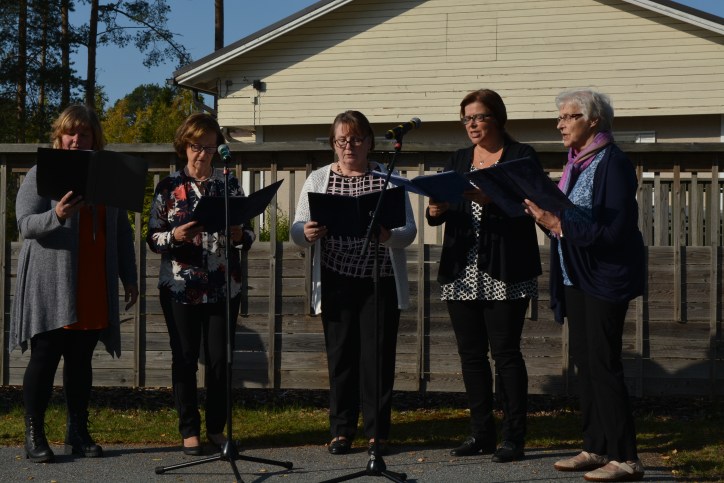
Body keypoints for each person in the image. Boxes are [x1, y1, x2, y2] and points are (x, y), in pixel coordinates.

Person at [523, 89, 646, 482]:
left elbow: (614, 230)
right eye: (559, 117)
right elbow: (571, 218)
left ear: (594, 120)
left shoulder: (613, 163)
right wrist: (546, 217)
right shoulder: (575, 163)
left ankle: (627, 458)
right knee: (585, 362)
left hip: (604, 277)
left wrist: (558, 224)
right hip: (574, 275)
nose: (560, 124)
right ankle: (596, 447)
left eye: (569, 116)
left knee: (604, 363)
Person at [10, 104, 139, 463]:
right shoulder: (41, 172)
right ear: (60, 135)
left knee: (81, 360)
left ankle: (77, 433)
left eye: (84, 133)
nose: (76, 139)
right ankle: (34, 434)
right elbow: (25, 225)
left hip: (93, 281)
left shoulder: (108, 176)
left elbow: (121, 231)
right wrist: (57, 214)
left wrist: (129, 276)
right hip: (51, 282)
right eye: (70, 132)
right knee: (45, 357)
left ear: (95, 138)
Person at [291, 110, 416, 456]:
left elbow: (408, 231)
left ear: (369, 142)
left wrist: (387, 236)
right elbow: (297, 229)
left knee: (377, 359)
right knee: (341, 357)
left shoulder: (389, 177)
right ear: (334, 144)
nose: (349, 146)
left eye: (357, 139)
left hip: (380, 280)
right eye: (342, 140)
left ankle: (377, 433)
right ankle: (341, 431)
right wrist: (307, 233)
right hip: (335, 279)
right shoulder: (318, 178)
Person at [426, 89, 541, 463]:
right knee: (471, 355)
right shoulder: (458, 159)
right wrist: (435, 210)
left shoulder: (521, 155)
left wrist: (493, 199)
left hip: (506, 267)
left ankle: (514, 437)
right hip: (462, 268)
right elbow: (443, 210)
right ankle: (481, 434)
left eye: (478, 117)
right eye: (466, 119)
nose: (472, 124)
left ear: (498, 118)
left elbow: (532, 205)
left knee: (506, 355)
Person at [146, 113, 255, 455]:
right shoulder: (168, 187)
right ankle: (189, 430)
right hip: (180, 287)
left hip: (223, 286)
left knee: (220, 360)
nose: (202, 154)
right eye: (196, 146)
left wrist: (240, 235)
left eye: (209, 147)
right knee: (185, 358)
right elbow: (152, 238)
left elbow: (249, 234)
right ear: (184, 146)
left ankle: (217, 429)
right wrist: (175, 235)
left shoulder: (229, 185)